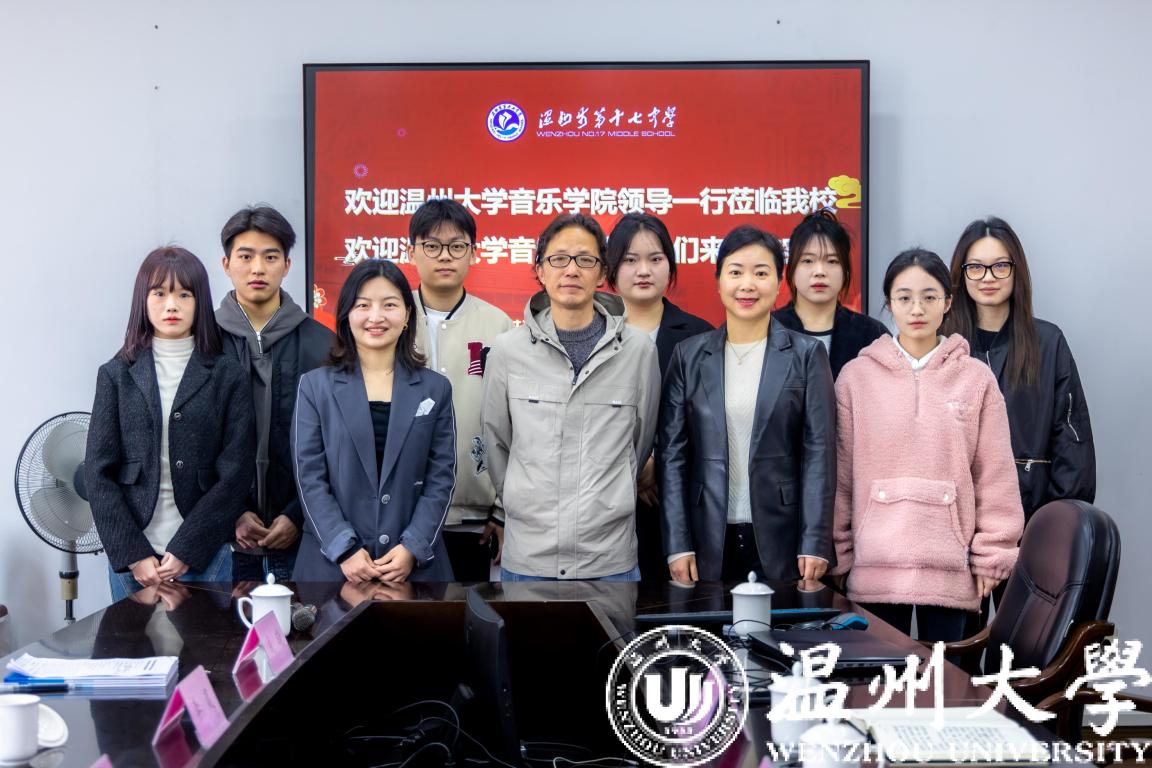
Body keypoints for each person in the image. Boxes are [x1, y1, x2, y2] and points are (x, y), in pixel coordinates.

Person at [831, 248, 1024, 642]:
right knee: (879, 677)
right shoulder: (855, 378)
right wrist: (839, 553)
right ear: (889, 304)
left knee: (946, 677)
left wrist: (993, 553)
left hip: (951, 570)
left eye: (929, 297)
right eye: (904, 298)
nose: (916, 309)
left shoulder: (976, 379)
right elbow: (840, 478)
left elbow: (995, 475)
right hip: (875, 569)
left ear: (948, 303)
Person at [482, 213, 660, 581]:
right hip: (529, 557)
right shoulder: (507, 350)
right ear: (540, 270)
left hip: (609, 559)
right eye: (559, 259)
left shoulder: (638, 351)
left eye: (585, 259)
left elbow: (639, 443)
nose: (572, 270)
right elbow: (497, 444)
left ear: (602, 271)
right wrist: (520, 498)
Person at [659, 225, 836, 585]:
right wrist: (677, 544)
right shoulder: (689, 356)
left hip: (783, 537)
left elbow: (819, 452)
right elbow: (672, 455)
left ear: (779, 282)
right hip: (707, 537)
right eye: (736, 272)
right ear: (718, 281)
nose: (747, 285)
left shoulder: (806, 355)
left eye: (761, 273)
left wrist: (815, 541)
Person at [944, 215, 1095, 631]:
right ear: (960, 275)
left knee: (1026, 651)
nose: (988, 277)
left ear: (1016, 271)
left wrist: (1052, 529)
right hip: (953, 526)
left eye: (1000, 265)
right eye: (976, 267)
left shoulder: (1047, 342)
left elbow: (1072, 443)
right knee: (955, 654)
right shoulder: (944, 345)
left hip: (1030, 523)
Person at [86, 247, 255, 601]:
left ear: (200, 301)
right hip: (134, 559)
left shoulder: (228, 375)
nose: (171, 305)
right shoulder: (116, 375)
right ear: (143, 300)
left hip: (206, 553)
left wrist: (188, 547)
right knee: (132, 640)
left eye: (184, 294)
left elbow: (236, 473)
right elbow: (98, 473)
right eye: (160, 293)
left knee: (208, 640)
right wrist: (133, 555)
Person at [291, 258, 455, 583]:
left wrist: (413, 546)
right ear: (346, 315)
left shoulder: (435, 389)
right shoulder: (315, 386)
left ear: (407, 315)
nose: (376, 317)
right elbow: (309, 477)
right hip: (331, 568)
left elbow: (441, 477)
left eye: (389, 305)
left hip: (412, 569)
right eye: (363, 305)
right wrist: (343, 548)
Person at [216, 205, 335, 582]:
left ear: (287, 265)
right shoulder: (203, 344)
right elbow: (191, 445)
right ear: (226, 264)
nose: (258, 268)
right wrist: (232, 511)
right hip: (219, 546)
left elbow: (339, 445)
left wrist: (298, 515)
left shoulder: (324, 346)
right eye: (245, 257)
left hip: (305, 540)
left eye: (270, 257)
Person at [409, 199, 513, 581]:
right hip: (400, 514)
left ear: (473, 252)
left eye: (457, 246)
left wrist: (502, 509)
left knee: (470, 611)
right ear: (412, 252)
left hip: (475, 515)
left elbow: (515, 423)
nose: (444, 256)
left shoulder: (498, 326)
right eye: (432, 246)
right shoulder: (392, 317)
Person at [605, 212, 712, 581]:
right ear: (612, 269)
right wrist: (633, 468)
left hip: (680, 509)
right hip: (606, 509)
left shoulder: (700, 337)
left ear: (670, 265)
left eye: (655, 259)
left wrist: (658, 464)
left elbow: (708, 424)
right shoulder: (593, 335)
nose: (643, 271)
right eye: (630, 260)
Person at [773, 208, 888, 378]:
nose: (819, 271)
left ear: (846, 270)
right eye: (808, 261)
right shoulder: (770, 330)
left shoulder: (871, 334)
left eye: (832, 261)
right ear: (792, 269)